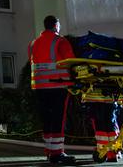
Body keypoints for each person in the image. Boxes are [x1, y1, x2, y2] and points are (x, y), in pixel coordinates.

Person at [28, 15, 76, 164]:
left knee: (47, 120)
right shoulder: (60, 41)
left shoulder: (33, 43)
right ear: (56, 25)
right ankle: (57, 153)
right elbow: (71, 62)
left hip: (39, 87)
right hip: (58, 86)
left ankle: (49, 151)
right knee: (57, 120)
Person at [83, 90, 122, 162]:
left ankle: (103, 151)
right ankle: (113, 153)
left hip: (95, 97)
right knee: (111, 124)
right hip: (112, 96)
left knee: (100, 125)